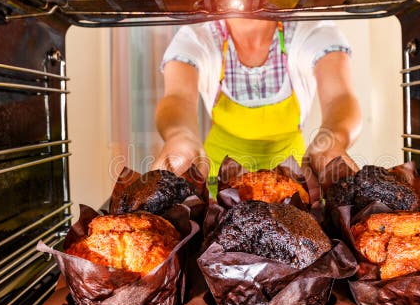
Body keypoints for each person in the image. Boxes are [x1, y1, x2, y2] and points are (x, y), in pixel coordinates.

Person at [152, 13, 361, 186]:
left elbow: (339, 97)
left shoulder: (311, 31)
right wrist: (180, 136)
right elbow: (178, 98)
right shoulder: (197, 37)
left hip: (292, 174)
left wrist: (332, 140)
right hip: (218, 173)